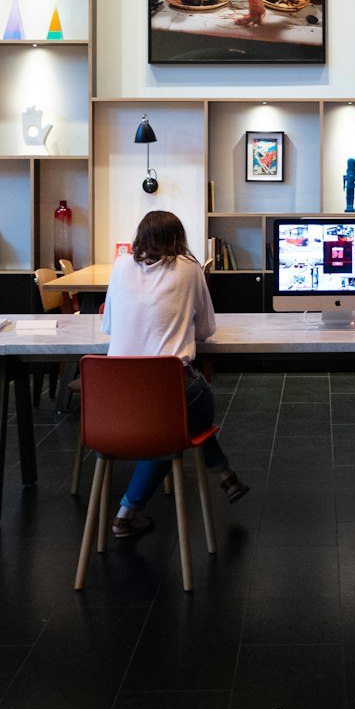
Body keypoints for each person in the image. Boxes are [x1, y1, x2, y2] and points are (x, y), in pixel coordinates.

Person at [103, 210, 248, 538]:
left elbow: (109, 326)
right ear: (179, 239)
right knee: (185, 415)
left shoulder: (121, 265)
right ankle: (125, 514)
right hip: (167, 389)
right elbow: (207, 330)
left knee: (176, 415)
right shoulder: (189, 267)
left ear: (140, 237)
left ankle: (226, 475)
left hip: (112, 397)